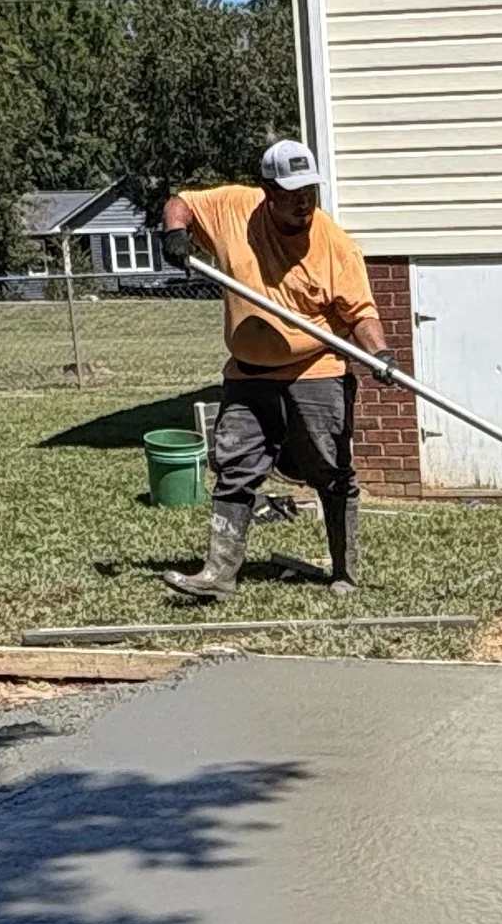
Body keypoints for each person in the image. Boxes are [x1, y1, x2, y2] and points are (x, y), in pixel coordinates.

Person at [159, 138, 391, 601]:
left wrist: (380, 354)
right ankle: (219, 575)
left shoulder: (335, 245)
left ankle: (345, 572)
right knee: (235, 466)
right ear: (267, 189)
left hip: (316, 368)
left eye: (310, 190)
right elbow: (179, 203)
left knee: (331, 469)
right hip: (248, 374)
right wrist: (174, 233)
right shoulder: (232, 209)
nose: (304, 201)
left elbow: (360, 312)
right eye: (292, 192)